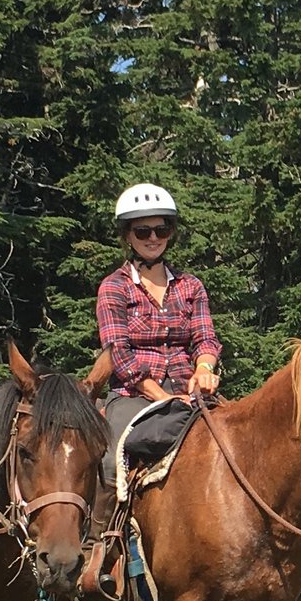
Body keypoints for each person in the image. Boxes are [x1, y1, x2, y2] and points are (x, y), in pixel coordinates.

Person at [95, 182, 223, 483]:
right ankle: (103, 529)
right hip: (134, 393)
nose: (153, 238)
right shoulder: (114, 287)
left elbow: (205, 338)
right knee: (112, 462)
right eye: (142, 231)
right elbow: (120, 357)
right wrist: (164, 397)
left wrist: (204, 369)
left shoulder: (190, 285)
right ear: (127, 235)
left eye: (161, 230)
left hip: (188, 389)